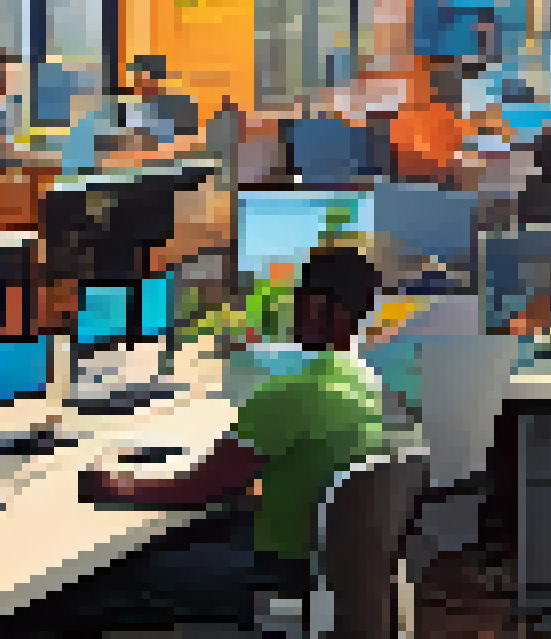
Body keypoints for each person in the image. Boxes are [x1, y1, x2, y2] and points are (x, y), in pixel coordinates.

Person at [65, 249, 387, 632]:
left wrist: (110, 484)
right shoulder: (363, 380)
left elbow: (199, 488)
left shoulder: (293, 391)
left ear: (320, 308)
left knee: (111, 577)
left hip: (276, 574)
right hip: (323, 566)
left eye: (301, 299)